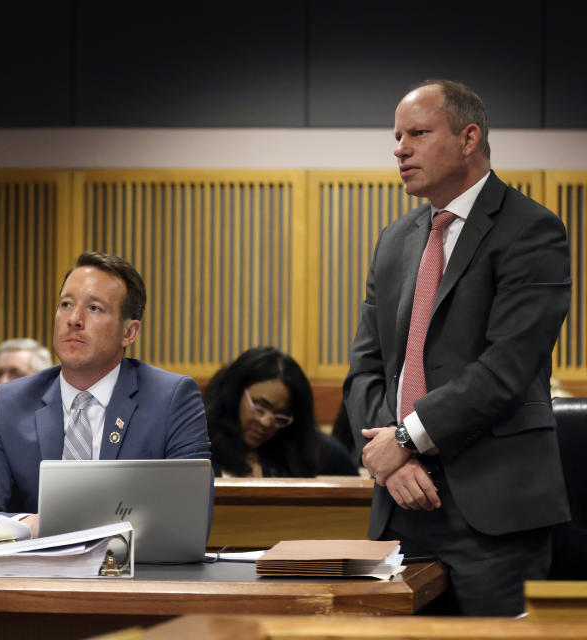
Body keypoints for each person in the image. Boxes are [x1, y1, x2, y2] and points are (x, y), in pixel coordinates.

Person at [343, 80, 571, 616]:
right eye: (397, 136)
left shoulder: (532, 230)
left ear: (469, 138)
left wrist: (406, 437)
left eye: (418, 133)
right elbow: (366, 369)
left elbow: (506, 369)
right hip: (400, 507)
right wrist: (391, 461)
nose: (400, 148)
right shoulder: (395, 239)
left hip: (494, 516)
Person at [0, 251, 211, 535]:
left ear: (129, 333)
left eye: (95, 308)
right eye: (66, 304)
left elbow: (191, 518)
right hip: (34, 574)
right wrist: (30, 526)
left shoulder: (171, 399)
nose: (74, 319)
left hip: (134, 572)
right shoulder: (12, 402)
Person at [205, 347, 356, 478]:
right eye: (259, 408)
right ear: (235, 394)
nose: (266, 422)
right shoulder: (200, 445)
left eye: (280, 416)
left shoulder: (317, 451)